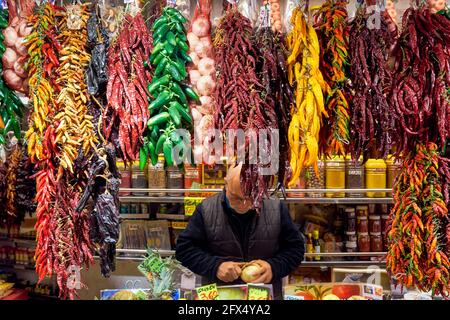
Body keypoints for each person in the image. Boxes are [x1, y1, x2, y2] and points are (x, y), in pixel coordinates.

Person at [175, 163, 305, 299]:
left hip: (263, 295)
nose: (244, 204)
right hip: (219, 295)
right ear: (226, 184)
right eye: (236, 197)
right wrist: (215, 266)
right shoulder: (206, 209)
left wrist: (273, 268)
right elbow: (184, 250)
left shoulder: (276, 208)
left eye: (250, 197)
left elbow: (296, 249)